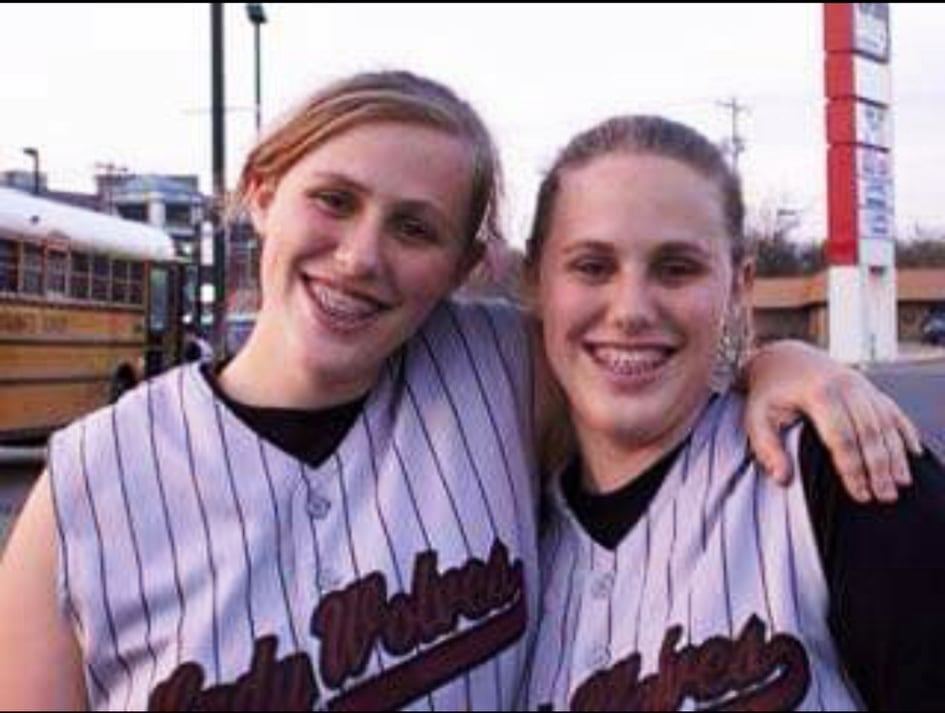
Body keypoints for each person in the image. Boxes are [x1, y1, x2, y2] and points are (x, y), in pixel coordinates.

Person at [0, 73, 919, 712]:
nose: (360, 255)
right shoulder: (87, 482)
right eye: (332, 199)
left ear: (464, 264)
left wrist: (780, 363)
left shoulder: (496, 370)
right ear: (261, 190)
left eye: (415, 228)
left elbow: (634, 347)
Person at [520, 115, 945, 711]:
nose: (631, 310)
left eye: (677, 268)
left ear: (740, 286)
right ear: (535, 282)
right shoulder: (509, 528)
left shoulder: (847, 469)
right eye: (592, 266)